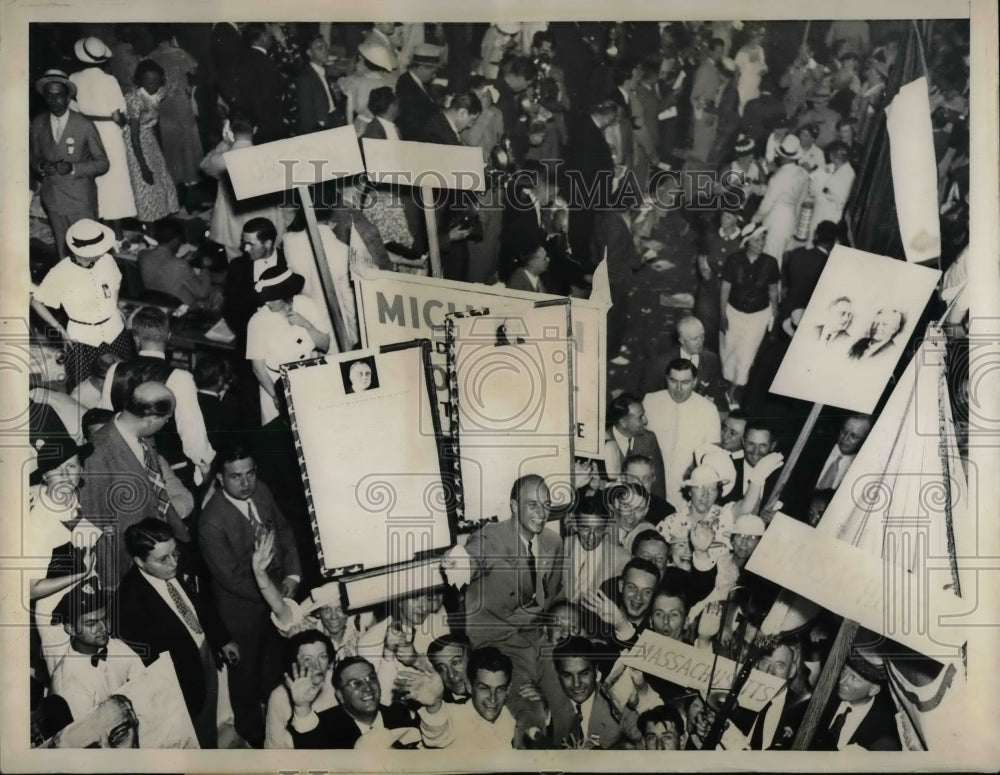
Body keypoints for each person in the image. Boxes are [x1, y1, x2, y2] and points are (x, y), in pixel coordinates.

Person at [441, 474, 563, 730]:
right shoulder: (491, 538)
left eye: (546, 504)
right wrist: (460, 565)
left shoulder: (553, 542)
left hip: (537, 640)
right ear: (514, 506)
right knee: (531, 717)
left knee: (565, 706)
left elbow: (551, 593)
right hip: (498, 646)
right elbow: (475, 557)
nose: (541, 513)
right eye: (532, 505)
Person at [199, 444, 302, 748]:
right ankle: (253, 734)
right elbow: (231, 579)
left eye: (250, 474)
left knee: (276, 664)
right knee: (245, 677)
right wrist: (276, 600)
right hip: (241, 613)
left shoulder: (262, 492)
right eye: (235, 477)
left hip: (278, 593)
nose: (245, 483)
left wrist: (293, 575)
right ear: (220, 478)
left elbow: (284, 531)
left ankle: (279, 719)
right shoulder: (211, 522)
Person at [118, 518, 239, 748]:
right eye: (164, 559)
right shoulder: (129, 603)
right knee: (194, 735)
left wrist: (222, 639)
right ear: (140, 562)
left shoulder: (175, 562)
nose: (174, 563)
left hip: (206, 653)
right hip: (180, 679)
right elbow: (148, 667)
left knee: (210, 721)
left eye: (175, 553)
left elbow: (201, 604)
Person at [82, 381, 194, 589]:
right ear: (151, 418)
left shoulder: (145, 439)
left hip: (156, 559)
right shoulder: (97, 453)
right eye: (167, 419)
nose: (167, 423)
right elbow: (94, 525)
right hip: (125, 570)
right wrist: (110, 583)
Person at [103, 305, 216, 484]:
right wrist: (203, 464)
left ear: (136, 337)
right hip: (167, 471)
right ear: (169, 336)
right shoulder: (180, 378)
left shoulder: (115, 370)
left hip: (123, 464)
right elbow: (191, 432)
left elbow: (106, 420)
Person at [30, 218, 133, 392]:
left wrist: (114, 307)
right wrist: (60, 331)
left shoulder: (108, 260)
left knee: (123, 383)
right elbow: (36, 301)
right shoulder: (61, 272)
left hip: (115, 331)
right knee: (85, 388)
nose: (103, 251)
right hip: (82, 338)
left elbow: (114, 285)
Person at [29, 69, 110, 259]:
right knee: (63, 252)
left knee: (88, 253)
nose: (54, 101)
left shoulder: (84, 124)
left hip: (80, 201)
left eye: (59, 96)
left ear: (67, 98)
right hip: (53, 199)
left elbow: (103, 163)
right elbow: (34, 155)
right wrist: (40, 165)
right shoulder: (38, 123)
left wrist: (74, 168)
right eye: (49, 96)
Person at [48, 581, 145, 721]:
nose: (103, 628)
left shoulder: (115, 646)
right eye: (91, 623)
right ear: (71, 629)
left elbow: (144, 683)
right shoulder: (69, 684)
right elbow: (89, 736)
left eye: (104, 618)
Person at [246, 265, 332, 425]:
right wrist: (276, 396)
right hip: (274, 386)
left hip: (309, 380)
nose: (267, 302)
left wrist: (308, 326)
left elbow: (325, 345)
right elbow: (257, 368)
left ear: (285, 296)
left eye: (272, 298)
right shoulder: (257, 321)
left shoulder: (307, 305)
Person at [68, 37, 137, 231]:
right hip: (109, 133)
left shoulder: (73, 77)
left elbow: (73, 107)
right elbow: (117, 116)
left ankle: (97, 222)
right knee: (115, 178)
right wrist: (125, 125)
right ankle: (117, 231)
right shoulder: (108, 80)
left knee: (94, 177)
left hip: (86, 131)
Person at [395, 646, 518, 749]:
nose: (493, 699)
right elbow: (437, 733)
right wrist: (434, 705)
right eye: (484, 688)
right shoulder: (455, 714)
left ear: (508, 689)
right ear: (469, 686)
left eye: (500, 689)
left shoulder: (508, 717)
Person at [201, 117, 288, 261]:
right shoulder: (270, 157)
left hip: (233, 227)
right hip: (267, 223)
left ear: (231, 132)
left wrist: (225, 143)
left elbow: (204, 165)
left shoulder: (221, 159)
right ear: (255, 130)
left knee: (239, 267)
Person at [285, 656, 419, 749]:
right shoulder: (326, 726)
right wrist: (302, 707)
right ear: (340, 695)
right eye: (356, 683)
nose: (367, 688)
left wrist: (434, 705)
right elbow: (309, 751)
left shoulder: (398, 714)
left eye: (371, 679)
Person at [643, 358, 722, 506]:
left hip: (687, 492)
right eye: (673, 381)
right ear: (666, 379)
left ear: (695, 381)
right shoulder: (650, 401)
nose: (678, 389)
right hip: (652, 487)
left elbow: (712, 454)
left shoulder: (709, 410)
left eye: (685, 382)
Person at [355, 586, 451, 705]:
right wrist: (388, 653)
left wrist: (417, 661)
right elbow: (382, 700)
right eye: (415, 598)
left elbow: (452, 677)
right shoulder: (369, 641)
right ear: (398, 598)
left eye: (428, 598)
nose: (424, 606)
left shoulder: (437, 623)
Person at [719, 224, 780, 409]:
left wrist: (773, 316)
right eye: (756, 239)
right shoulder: (734, 260)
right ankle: (726, 382)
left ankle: (733, 391)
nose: (761, 243)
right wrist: (722, 314)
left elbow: (773, 292)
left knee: (747, 354)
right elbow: (725, 288)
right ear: (747, 241)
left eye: (763, 239)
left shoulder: (770, 263)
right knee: (729, 350)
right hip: (734, 312)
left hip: (758, 316)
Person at [546, 635, 640, 748]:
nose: (576, 684)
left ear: (595, 671)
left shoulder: (617, 702)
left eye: (584, 673)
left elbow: (645, 743)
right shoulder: (548, 703)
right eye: (567, 675)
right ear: (558, 675)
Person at [148, 31, 204, 205]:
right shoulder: (179, 53)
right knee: (188, 145)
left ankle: (176, 191)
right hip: (180, 103)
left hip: (163, 106)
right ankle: (192, 190)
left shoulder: (150, 57)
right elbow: (195, 69)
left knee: (171, 146)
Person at [810, 645, 901, 750]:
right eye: (844, 670)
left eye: (853, 678)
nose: (842, 681)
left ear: (873, 690)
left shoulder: (884, 732)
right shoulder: (825, 694)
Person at [123, 59, 180, 224]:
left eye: (156, 82)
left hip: (149, 139)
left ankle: (159, 218)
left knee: (160, 178)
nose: (153, 86)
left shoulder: (159, 92)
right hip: (135, 143)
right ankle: (148, 223)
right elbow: (134, 137)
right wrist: (142, 166)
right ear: (140, 81)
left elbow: (167, 89)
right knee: (146, 182)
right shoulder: (135, 99)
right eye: (148, 82)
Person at [638, 316, 727, 415]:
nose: (701, 342)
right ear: (682, 341)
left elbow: (715, 390)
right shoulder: (660, 364)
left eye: (702, 336)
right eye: (695, 339)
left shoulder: (712, 360)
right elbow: (647, 397)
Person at [264, 631, 338, 749]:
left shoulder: (337, 682)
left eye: (322, 657)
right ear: (295, 662)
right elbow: (274, 747)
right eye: (308, 659)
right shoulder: (279, 696)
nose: (317, 665)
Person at [138, 217, 222, 311]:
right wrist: (205, 267)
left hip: (156, 303)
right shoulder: (181, 265)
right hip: (181, 308)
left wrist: (182, 260)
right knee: (218, 291)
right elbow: (202, 293)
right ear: (175, 241)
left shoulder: (142, 256)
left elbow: (163, 267)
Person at [750, 135, 810, 265]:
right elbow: (801, 200)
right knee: (776, 260)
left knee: (770, 261)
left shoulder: (778, 177)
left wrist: (755, 219)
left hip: (775, 221)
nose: (777, 156)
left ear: (784, 157)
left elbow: (767, 204)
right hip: (789, 222)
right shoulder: (803, 174)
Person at [745, 639, 812, 749]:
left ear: (792, 671)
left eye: (780, 665)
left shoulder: (801, 711)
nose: (770, 671)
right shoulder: (741, 699)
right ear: (757, 665)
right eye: (765, 662)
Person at [562, 504, 630, 605]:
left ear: (606, 529)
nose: (591, 537)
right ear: (575, 525)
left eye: (598, 530)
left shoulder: (622, 558)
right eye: (586, 529)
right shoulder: (560, 548)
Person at [602, 394, 666, 499]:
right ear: (623, 422)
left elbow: (658, 485)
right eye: (640, 417)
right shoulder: (602, 442)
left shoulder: (649, 439)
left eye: (644, 415)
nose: (646, 421)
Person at [340, 34, 398, 135]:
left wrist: (350, 129)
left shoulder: (355, 81)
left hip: (358, 124)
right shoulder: (387, 84)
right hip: (377, 126)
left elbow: (349, 110)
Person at [781, 220, 838, 321]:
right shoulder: (830, 267)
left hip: (785, 311)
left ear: (816, 236)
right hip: (805, 317)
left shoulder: (797, 253)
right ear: (834, 242)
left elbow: (785, 272)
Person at [808, 141, 855, 245]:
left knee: (822, 243)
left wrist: (824, 188)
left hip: (830, 214)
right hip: (820, 210)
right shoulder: (834, 166)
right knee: (812, 238)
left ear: (834, 157)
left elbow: (839, 198)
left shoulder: (848, 173)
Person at [689, 38, 727, 163]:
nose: (720, 55)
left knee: (706, 152)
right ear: (710, 52)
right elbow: (695, 96)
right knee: (700, 153)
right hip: (704, 115)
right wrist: (705, 115)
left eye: (722, 52)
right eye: (717, 52)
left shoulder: (715, 68)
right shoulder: (704, 69)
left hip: (711, 113)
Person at [395, 44, 442, 141]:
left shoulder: (418, 81)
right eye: (432, 72)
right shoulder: (406, 84)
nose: (434, 76)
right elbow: (412, 123)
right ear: (421, 68)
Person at [295, 34, 339, 134]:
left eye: (326, 47)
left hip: (333, 118)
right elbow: (307, 117)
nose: (326, 51)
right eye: (320, 48)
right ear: (309, 52)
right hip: (321, 128)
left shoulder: (321, 70)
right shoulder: (305, 78)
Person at [427, 634, 473, 703]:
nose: (451, 675)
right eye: (442, 669)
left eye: (455, 662)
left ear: (471, 659)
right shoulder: (439, 704)